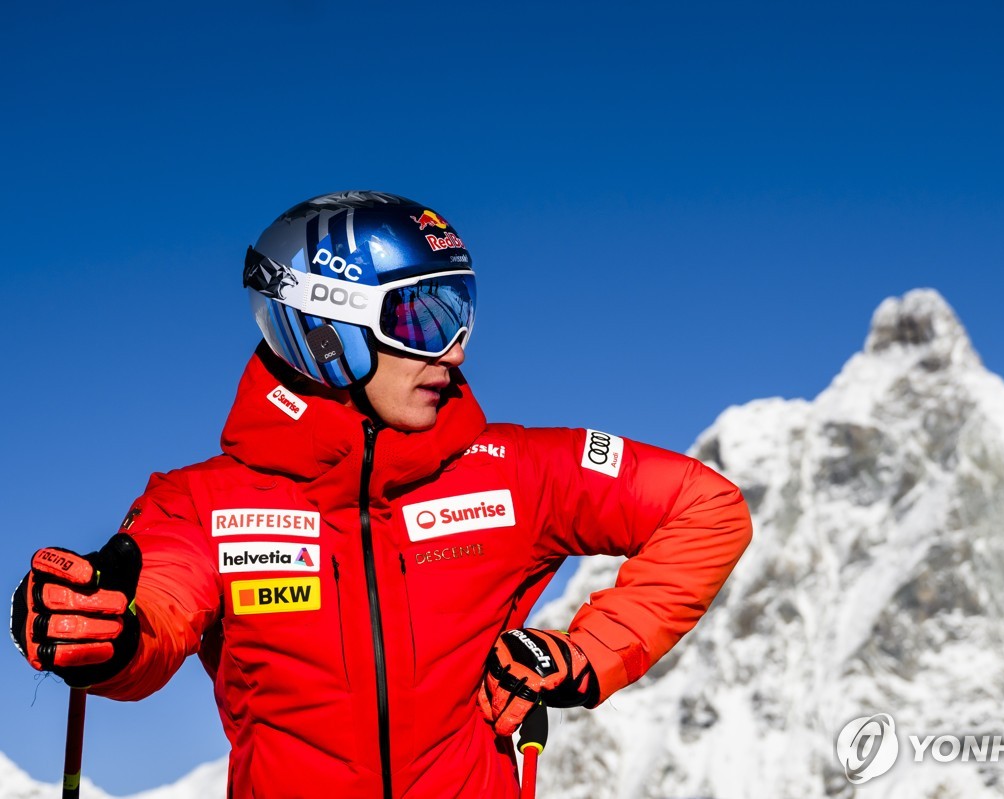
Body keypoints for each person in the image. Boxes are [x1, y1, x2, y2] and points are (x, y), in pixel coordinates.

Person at [10, 191, 752, 798]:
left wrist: (586, 654)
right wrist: (105, 630)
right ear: (326, 329)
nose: (456, 347)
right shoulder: (202, 503)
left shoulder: (517, 471)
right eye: (421, 315)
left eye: (460, 310)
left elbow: (705, 507)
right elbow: (157, 612)